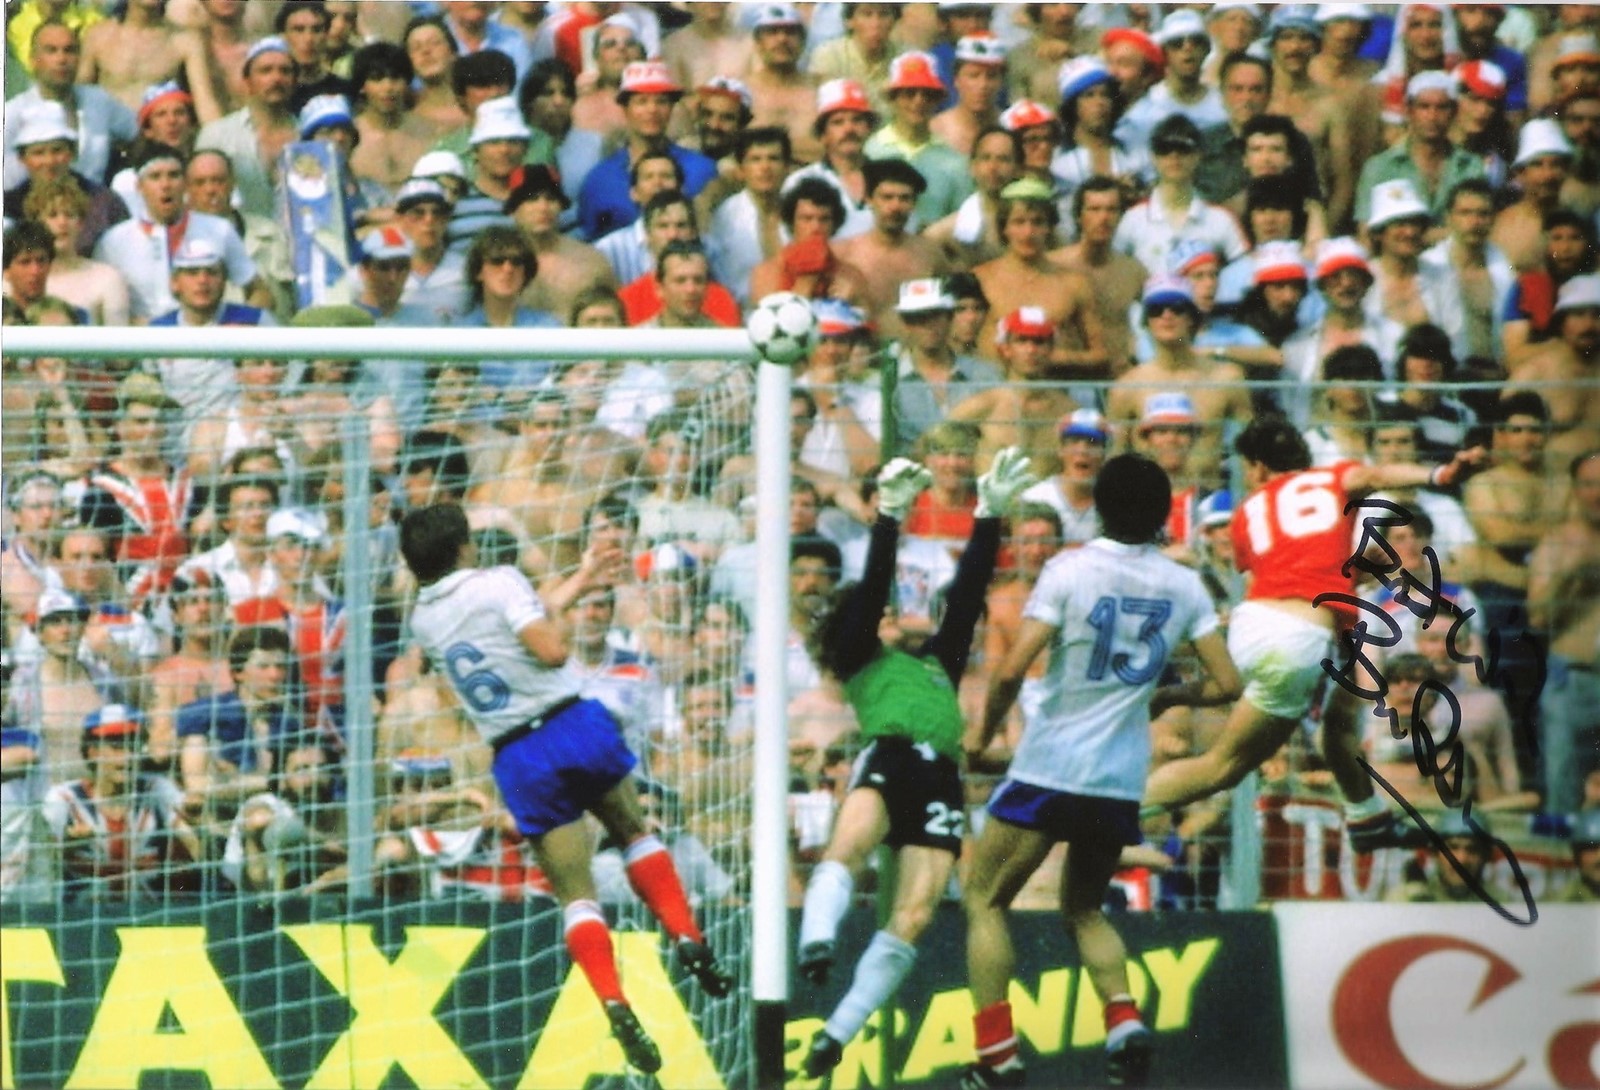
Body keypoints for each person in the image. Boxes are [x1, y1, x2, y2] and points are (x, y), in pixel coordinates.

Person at [399, 502, 732, 1075]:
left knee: (576, 894)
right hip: (570, 723)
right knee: (633, 831)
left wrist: (580, 578)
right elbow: (548, 648)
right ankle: (685, 934)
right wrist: (559, 621)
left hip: (517, 755)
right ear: (462, 548)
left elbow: (510, 620)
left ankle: (612, 999)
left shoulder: (422, 621)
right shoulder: (500, 581)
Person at [961, 453, 1239, 1090]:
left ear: (1097, 507)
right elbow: (1228, 684)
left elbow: (1009, 670)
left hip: (1050, 764)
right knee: (1084, 908)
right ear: (1164, 512)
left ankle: (997, 1055)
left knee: (984, 898)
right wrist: (1172, 696)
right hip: (1117, 778)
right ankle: (1123, 1022)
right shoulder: (1184, 586)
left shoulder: (1071, 569)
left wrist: (981, 736)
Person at [796, 447, 1037, 1078]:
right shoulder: (858, 657)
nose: (891, 610)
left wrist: (989, 516)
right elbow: (874, 587)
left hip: (939, 778)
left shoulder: (936, 663)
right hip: (892, 756)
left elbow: (965, 599)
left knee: (919, 912)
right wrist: (890, 518)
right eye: (879, 610)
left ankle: (838, 1031)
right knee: (848, 845)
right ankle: (816, 940)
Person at [1142, 416, 1486, 851]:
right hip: (1297, 638)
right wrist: (1439, 474)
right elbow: (1378, 475)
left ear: (1259, 466)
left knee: (1339, 720)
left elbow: (1285, 571)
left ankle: (1366, 818)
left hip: (1260, 623)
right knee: (1222, 767)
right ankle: (1117, 813)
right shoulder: (1333, 478)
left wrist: (1353, 572)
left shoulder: (1248, 510)